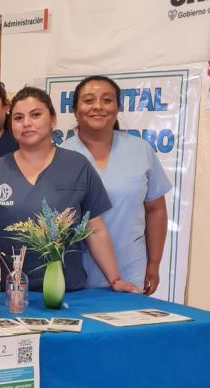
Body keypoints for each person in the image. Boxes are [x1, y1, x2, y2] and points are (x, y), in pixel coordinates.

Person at [0, 87, 139, 293]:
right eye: (18, 117)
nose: (26, 123)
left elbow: (95, 229)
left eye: (35, 115)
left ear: (52, 119)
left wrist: (115, 279)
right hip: (7, 292)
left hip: (65, 291)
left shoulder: (77, 166)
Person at [61, 76, 171, 295]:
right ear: (75, 110)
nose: (98, 107)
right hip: (75, 273)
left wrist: (154, 263)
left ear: (118, 107)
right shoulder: (61, 156)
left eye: (107, 100)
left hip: (130, 269)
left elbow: (156, 209)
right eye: (89, 100)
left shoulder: (141, 151)